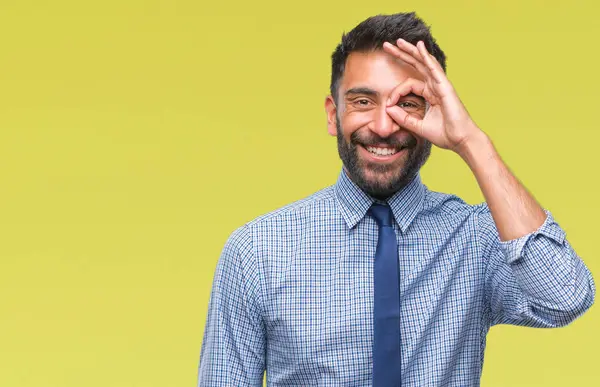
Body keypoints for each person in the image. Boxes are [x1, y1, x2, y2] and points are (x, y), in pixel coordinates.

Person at [197, 12, 595, 387]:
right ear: (333, 115)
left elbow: (566, 297)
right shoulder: (258, 251)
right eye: (363, 102)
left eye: (407, 104)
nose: (385, 126)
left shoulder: (475, 239)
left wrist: (471, 141)